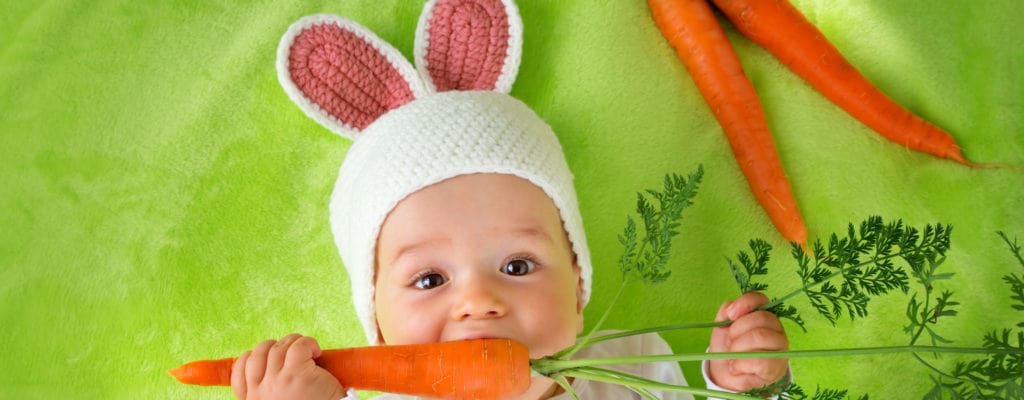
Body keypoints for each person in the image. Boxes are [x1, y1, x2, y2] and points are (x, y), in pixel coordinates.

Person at [234, 0, 789, 398]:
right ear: (374, 318)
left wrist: (741, 384)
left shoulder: (629, 368)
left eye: (518, 265)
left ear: (577, 285)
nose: (479, 301)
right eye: (429, 280)